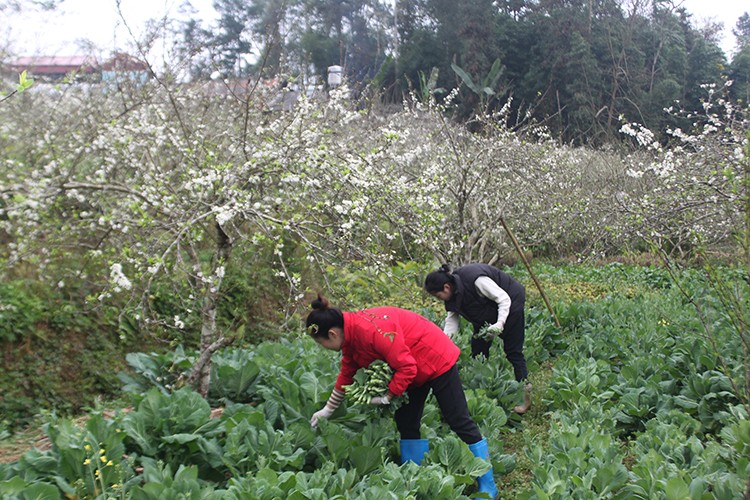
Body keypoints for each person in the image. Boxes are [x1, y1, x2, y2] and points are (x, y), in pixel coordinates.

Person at [307, 295, 498, 499]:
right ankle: (414, 479)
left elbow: (407, 367)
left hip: (434, 356)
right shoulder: (350, 335)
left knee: (458, 419)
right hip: (411, 366)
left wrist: (388, 396)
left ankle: (488, 483)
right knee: (406, 422)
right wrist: (328, 409)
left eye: (321, 343)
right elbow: (347, 373)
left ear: (332, 334)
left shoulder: (369, 330)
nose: (323, 347)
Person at [424, 263, 531, 414]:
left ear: (446, 287)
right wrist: (443, 346)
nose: (439, 299)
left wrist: (499, 324)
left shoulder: (476, 280)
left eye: (437, 295)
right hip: (484, 312)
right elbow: (452, 321)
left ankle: (525, 396)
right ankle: (483, 394)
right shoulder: (452, 296)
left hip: (511, 304)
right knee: (478, 352)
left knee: (513, 352)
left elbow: (503, 299)